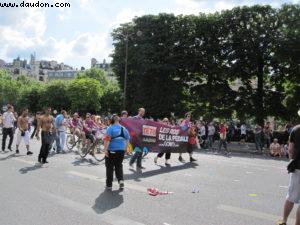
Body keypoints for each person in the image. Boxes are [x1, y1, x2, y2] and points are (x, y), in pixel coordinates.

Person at [278, 124, 300, 225]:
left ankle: (284, 220)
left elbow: (290, 149)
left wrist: (291, 160)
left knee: (290, 197)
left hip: (297, 167)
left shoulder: (295, 129)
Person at [103, 114, 130, 190]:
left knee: (109, 167)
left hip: (112, 150)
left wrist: (105, 150)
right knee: (118, 165)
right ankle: (121, 180)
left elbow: (107, 140)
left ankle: (109, 185)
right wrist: (125, 148)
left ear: (111, 120)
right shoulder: (123, 128)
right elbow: (128, 138)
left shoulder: (110, 128)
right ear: (118, 120)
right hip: (121, 151)